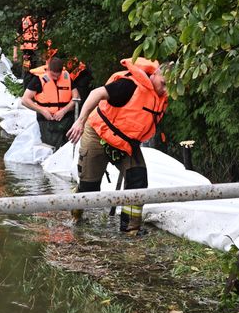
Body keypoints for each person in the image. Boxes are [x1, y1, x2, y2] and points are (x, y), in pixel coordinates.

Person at [66, 57, 168, 234]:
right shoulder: (129, 86)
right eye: (163, 83)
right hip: (99, 132)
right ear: (155, 75)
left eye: (169, 87)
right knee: (90, 189)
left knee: (138, 178)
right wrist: (80, 121)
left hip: (125, 143)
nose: (165, 90)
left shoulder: (160, 97)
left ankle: (130, 228)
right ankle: (77, 205)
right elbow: (96, 93)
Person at [20, 55, 75, 149]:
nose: (56, 78)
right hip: (47, 119)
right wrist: (42, 111)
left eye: (58, 76)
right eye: (53, 75)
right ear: (48, 70)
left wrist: (64, 111)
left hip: (66, 118)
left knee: (67, 146)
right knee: (50, 146)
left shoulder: (67, 77)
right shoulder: (38, 79)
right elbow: (25, 100)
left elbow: (76, 98)